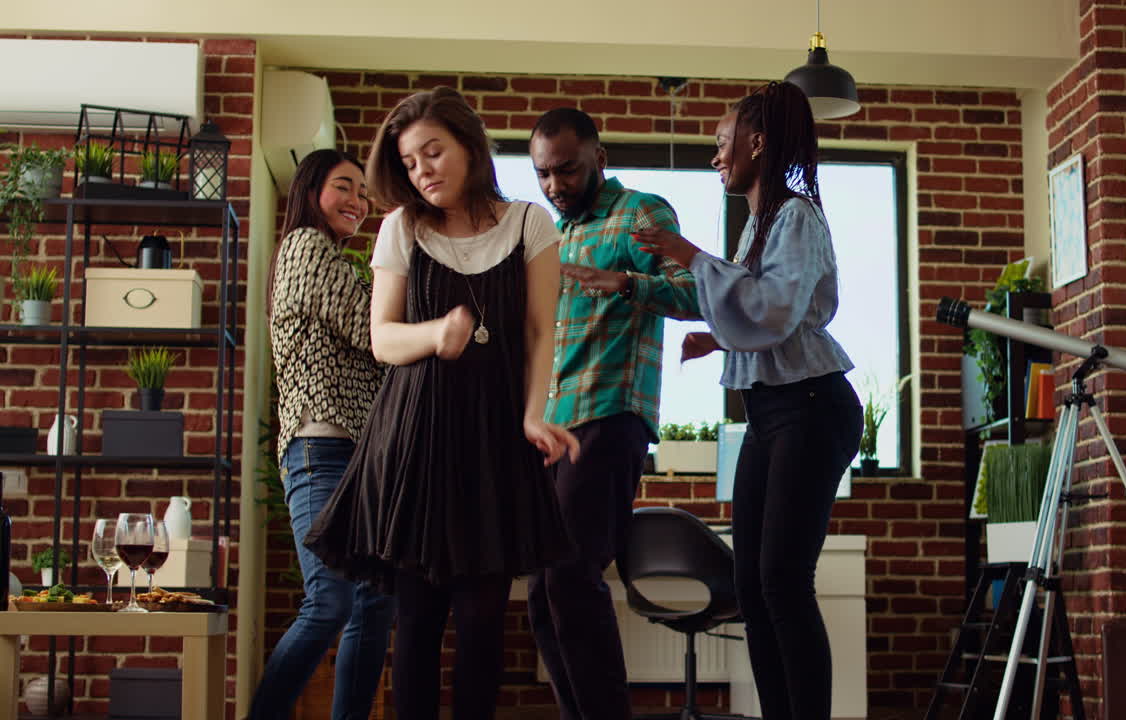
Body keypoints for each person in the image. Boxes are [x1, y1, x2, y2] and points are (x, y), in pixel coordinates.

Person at [304, 87, 579, 720]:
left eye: (433, 151)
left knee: (484, 629)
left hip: (492, 443)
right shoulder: (401, 226)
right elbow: (381, 338)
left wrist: (534, 414)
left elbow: (542, 332)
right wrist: (436, 333)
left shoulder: (529, 224)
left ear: (469, 148)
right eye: (408, 161)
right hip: (413, 445)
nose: (422, 169)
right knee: (417, 627)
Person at [633, 81, 863, 720]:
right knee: (753, 586)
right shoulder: (760, 223)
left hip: (813, 407)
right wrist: (715, 335)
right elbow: (753, 309)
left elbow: (774, 308)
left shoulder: (796, 216)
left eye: (720, 142)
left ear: (756, 143)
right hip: (771, 411)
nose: (715, 156)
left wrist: (688, 255)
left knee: (784, 585)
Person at [525, 108, 701, 720]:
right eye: (542, 174)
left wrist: (625, 282)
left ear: (599, 158)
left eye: (567, 170)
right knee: (544, 598)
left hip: (609, 415)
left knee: (572, 579)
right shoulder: (554, 232)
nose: (554, 186)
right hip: (551, 426)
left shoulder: (641, 213)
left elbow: (695, 291)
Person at [252, 148, 395, 720]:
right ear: (311, 191)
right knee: (330, 601)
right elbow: (372, 330)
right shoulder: (306, 248)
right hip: (321, 448)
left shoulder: (333, 261)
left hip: (357, 457)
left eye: (362, 192)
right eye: (344, 187)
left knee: (374, 602)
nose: (357, 202)